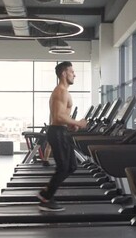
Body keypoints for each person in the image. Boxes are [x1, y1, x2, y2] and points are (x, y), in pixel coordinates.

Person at [37, 61, 87, 212]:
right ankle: (46, 198)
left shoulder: (63, 91)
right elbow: (58, 117)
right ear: (64, 73)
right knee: (63, 167)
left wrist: (72, 124)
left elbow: (62, 116)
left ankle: (46, 192)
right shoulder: (61, 91)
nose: (74, 74)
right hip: (57, 132)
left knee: (72, 166)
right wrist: (78, 122)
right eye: (72, 72)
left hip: (61, 131)